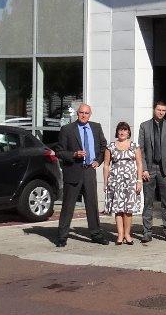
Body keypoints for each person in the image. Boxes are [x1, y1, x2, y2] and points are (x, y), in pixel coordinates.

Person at [54, 101, 108, 247]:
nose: (84, 115)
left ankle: (96, 234)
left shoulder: (96, 127)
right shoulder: (67, 129)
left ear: (90, 115)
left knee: (92, 204)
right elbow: (59, 152)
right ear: (77, 114)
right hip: (74, 171)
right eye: (81, 112)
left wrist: (99, 160)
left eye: (86, 113)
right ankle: (62, 236)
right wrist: (74, 154)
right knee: (68, 205)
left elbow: (104, 147)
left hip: (89, 171)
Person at [138, 101, 166, 244]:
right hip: (150, 168)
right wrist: (144, 169)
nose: (161, 112)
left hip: (165, 170)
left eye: (164, 110)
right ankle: (147, 232)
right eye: (159, 109)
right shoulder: (144, 126)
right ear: (154, 110)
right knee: (148, 202)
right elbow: (140, 150)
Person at [104, 121, 144, 246]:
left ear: (128, 132)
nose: (122, 132)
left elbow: (139, 164)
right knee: (118, 209)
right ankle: (120, 235)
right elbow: (106, 165)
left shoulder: (134, 146)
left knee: (128, 210)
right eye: (120, 130)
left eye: (125, 130)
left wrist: (139, 180)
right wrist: (105, 183)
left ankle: (127, 234)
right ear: (117, 132)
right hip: (115, 182)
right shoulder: (110, 146)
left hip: (130, 182)